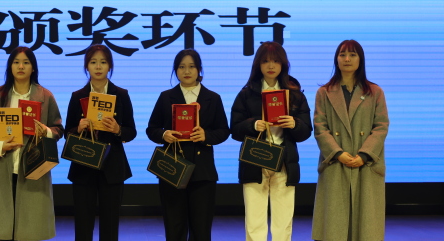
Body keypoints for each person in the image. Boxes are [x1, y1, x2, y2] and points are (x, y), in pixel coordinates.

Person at [0, 46, 64, 241]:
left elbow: (58, 129)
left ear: (33, 67)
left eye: (26, 62)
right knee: (3, 230)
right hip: (2, 166)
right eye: (16, 62)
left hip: (33, 167)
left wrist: (46, 132)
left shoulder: (45, 96)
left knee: (30, 231)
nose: (21, 66)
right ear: (10, 67)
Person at [230, 41, 312, 241]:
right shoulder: (246, 94)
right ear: (258, 64)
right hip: (255, 160)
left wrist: (294, 124)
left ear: (283, 64)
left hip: (285, 163)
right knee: (254, 221)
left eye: (276, 61)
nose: (271, 65)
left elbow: (306, 132)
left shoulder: (295, 94)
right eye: (265, 61)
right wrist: (252, 125)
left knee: (283, 222)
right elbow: (234, 129)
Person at [146, 49, 230, 241]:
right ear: (175, 70)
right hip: (173, 169)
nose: (186, 71)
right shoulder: (166, 97)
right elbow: (151, 129)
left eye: (191, 66)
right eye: (181, 67)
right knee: (174, 227)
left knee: (201, 229)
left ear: (199, 69)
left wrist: (206, 135)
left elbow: (224, 130)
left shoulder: (213, 98)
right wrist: (164, 134)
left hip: (203, 172)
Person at [312, 40, 389, 241]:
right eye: (342, 55)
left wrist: (364, 154)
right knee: (334, 227)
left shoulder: (375, 92)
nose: (347, 59)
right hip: (336, 162)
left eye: (353, 55)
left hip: (366, 162)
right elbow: (320, 127)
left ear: (360, 59)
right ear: (336, 59)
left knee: (366, 227)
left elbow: (381, 126)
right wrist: (338, 153)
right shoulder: (324, 92)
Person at [64, 44, 137, 241]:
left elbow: (131, 131)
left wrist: (118, 130)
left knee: (110, 225)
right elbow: (66, 132)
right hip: (83, 166)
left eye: (103, 62)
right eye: (93, 62)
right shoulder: (77, 96)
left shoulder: (121, 95)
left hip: (112, 168)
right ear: (86, 66)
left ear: (110, 66)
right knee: (83, 224)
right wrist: (78, 129)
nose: (98, 67)